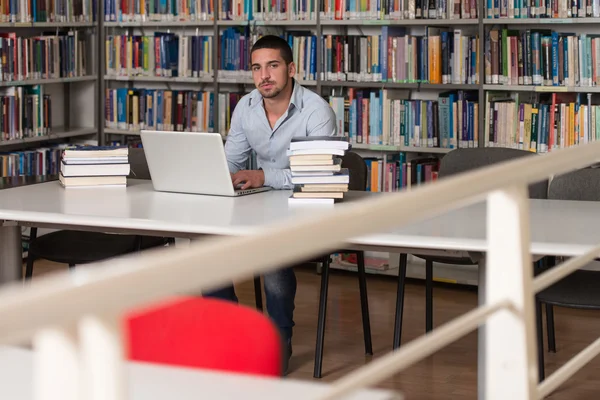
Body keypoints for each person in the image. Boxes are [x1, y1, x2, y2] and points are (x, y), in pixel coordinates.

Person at [204, 35, 338, 374]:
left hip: (306, 210)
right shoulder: (246, 107)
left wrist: (265, 176)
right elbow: (231, 163)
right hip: (261, 207)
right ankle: (230, 336)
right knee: (205, 244)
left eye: (273, 66)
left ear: (291, 69)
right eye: (257, 67)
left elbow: (319, 177)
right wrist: (216, 177)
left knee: (272, 255)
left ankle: (278, 344)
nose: (264, 75)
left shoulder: (317, 111)